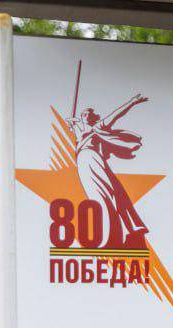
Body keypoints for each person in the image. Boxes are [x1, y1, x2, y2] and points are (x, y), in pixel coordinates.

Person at [67, 94, 150, 249]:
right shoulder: (80, 130)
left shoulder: (98, 127)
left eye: (88, 113)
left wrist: (131, 102)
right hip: (84, 163)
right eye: (83, 113)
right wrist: (73, 124)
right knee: (99, 195)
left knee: (106, 194)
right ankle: (111, 235)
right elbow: (75, 128)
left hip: (92, 159)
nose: (85, 115)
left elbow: (116, 114)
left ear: (93, 118)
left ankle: (112, 235)